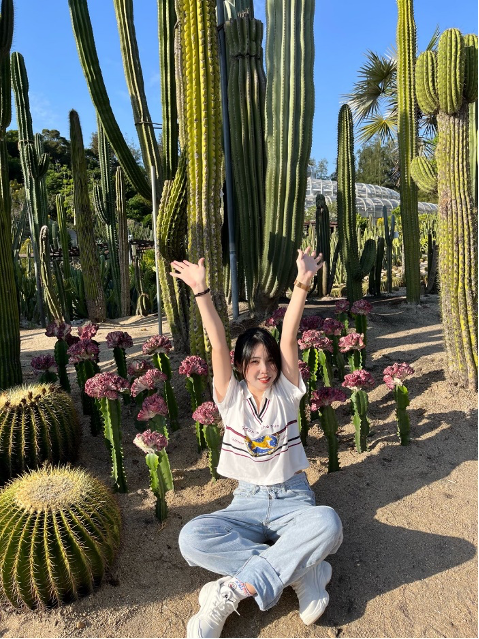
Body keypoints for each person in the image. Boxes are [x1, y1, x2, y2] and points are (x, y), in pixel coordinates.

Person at [170, 249, 343, 639]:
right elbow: (217, 344)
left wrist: (302, 282)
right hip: (245, 503)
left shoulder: (287, 392)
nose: (264, 369)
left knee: (328, 524)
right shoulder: (230, 397)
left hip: (293, 498)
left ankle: (232, 591)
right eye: (254, 362)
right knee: (191, 538)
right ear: (240, 367)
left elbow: (289, 334)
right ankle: (301, 571)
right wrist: (201, 292)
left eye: (269, 361)